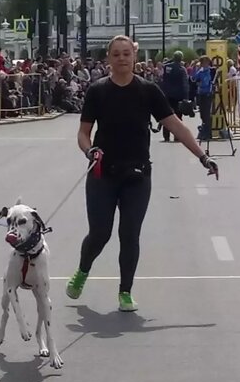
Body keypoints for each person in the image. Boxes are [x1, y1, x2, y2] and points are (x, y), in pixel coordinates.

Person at [66, 36, 219, 312]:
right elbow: (83, 133)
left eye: (126, 54)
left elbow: (175, 125)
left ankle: (125, 291)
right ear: (109, 59)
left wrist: (203, 156)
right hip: (103, 173)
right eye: (116, 54)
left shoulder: (148, 91)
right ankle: (83, 269)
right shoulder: (97, 91)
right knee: (100, 233)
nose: (122, 58)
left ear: (134, 58)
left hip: (137, 175)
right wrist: (89, 151)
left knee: (130, 234)